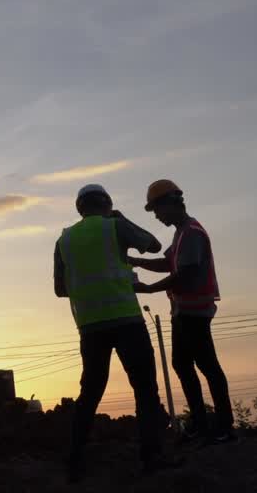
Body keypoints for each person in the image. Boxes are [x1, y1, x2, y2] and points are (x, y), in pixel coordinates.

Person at [54, 183, 177, 481]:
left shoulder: (65, 240)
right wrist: (122, 220)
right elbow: (154, 245)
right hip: (126, 321)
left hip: (90, 327)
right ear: (107, 204)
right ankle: (151, 457)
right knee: (145, 389)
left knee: (90, 393)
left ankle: (74, 462)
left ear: (79, 208)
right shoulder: (115, 227)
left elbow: (60, 289)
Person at [130, 179, 236, 444]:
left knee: (207, 366)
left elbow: (184, 274)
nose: (156, 215)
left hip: (194, 312)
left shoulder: (191, 233)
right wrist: (136, 261)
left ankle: (223, 426)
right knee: (184, 364)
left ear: (170, 204)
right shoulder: (182, 233)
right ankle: (201, 423)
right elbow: (168, 262)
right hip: (184, 311)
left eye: (157, 209)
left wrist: (149, 289)